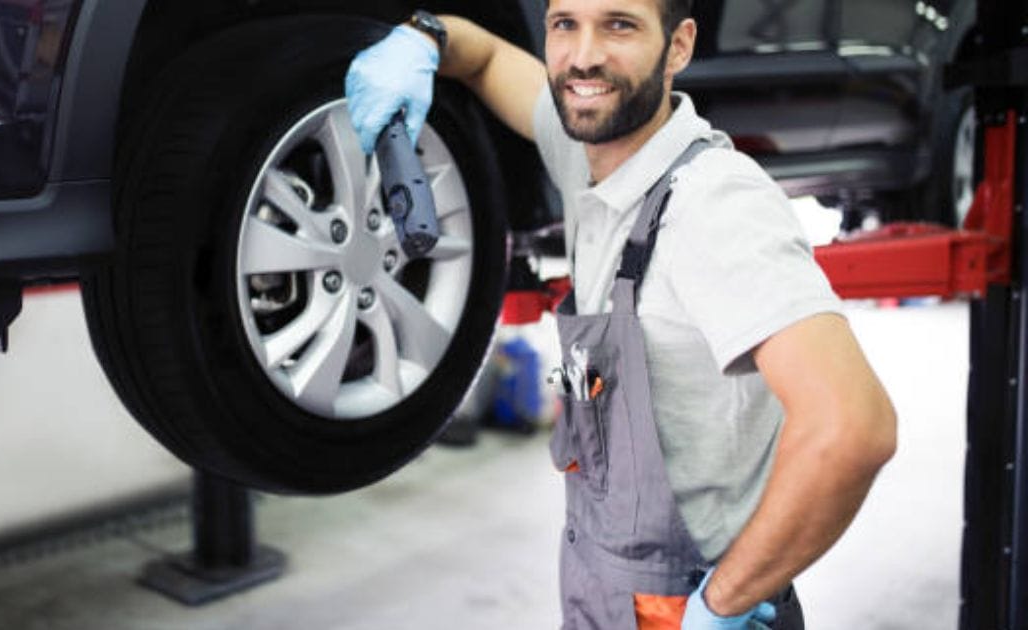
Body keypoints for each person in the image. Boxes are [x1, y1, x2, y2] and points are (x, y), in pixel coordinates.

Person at [345, 1, 898, 628]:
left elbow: (853, 428)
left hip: (688, 607)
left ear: (678, 45)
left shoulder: (714, 203)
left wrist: (723, 604)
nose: (583, 56)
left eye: (619, 25)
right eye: (565, 24)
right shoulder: (587, 152)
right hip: (600, 591)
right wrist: (420, 39)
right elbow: (489, 57)